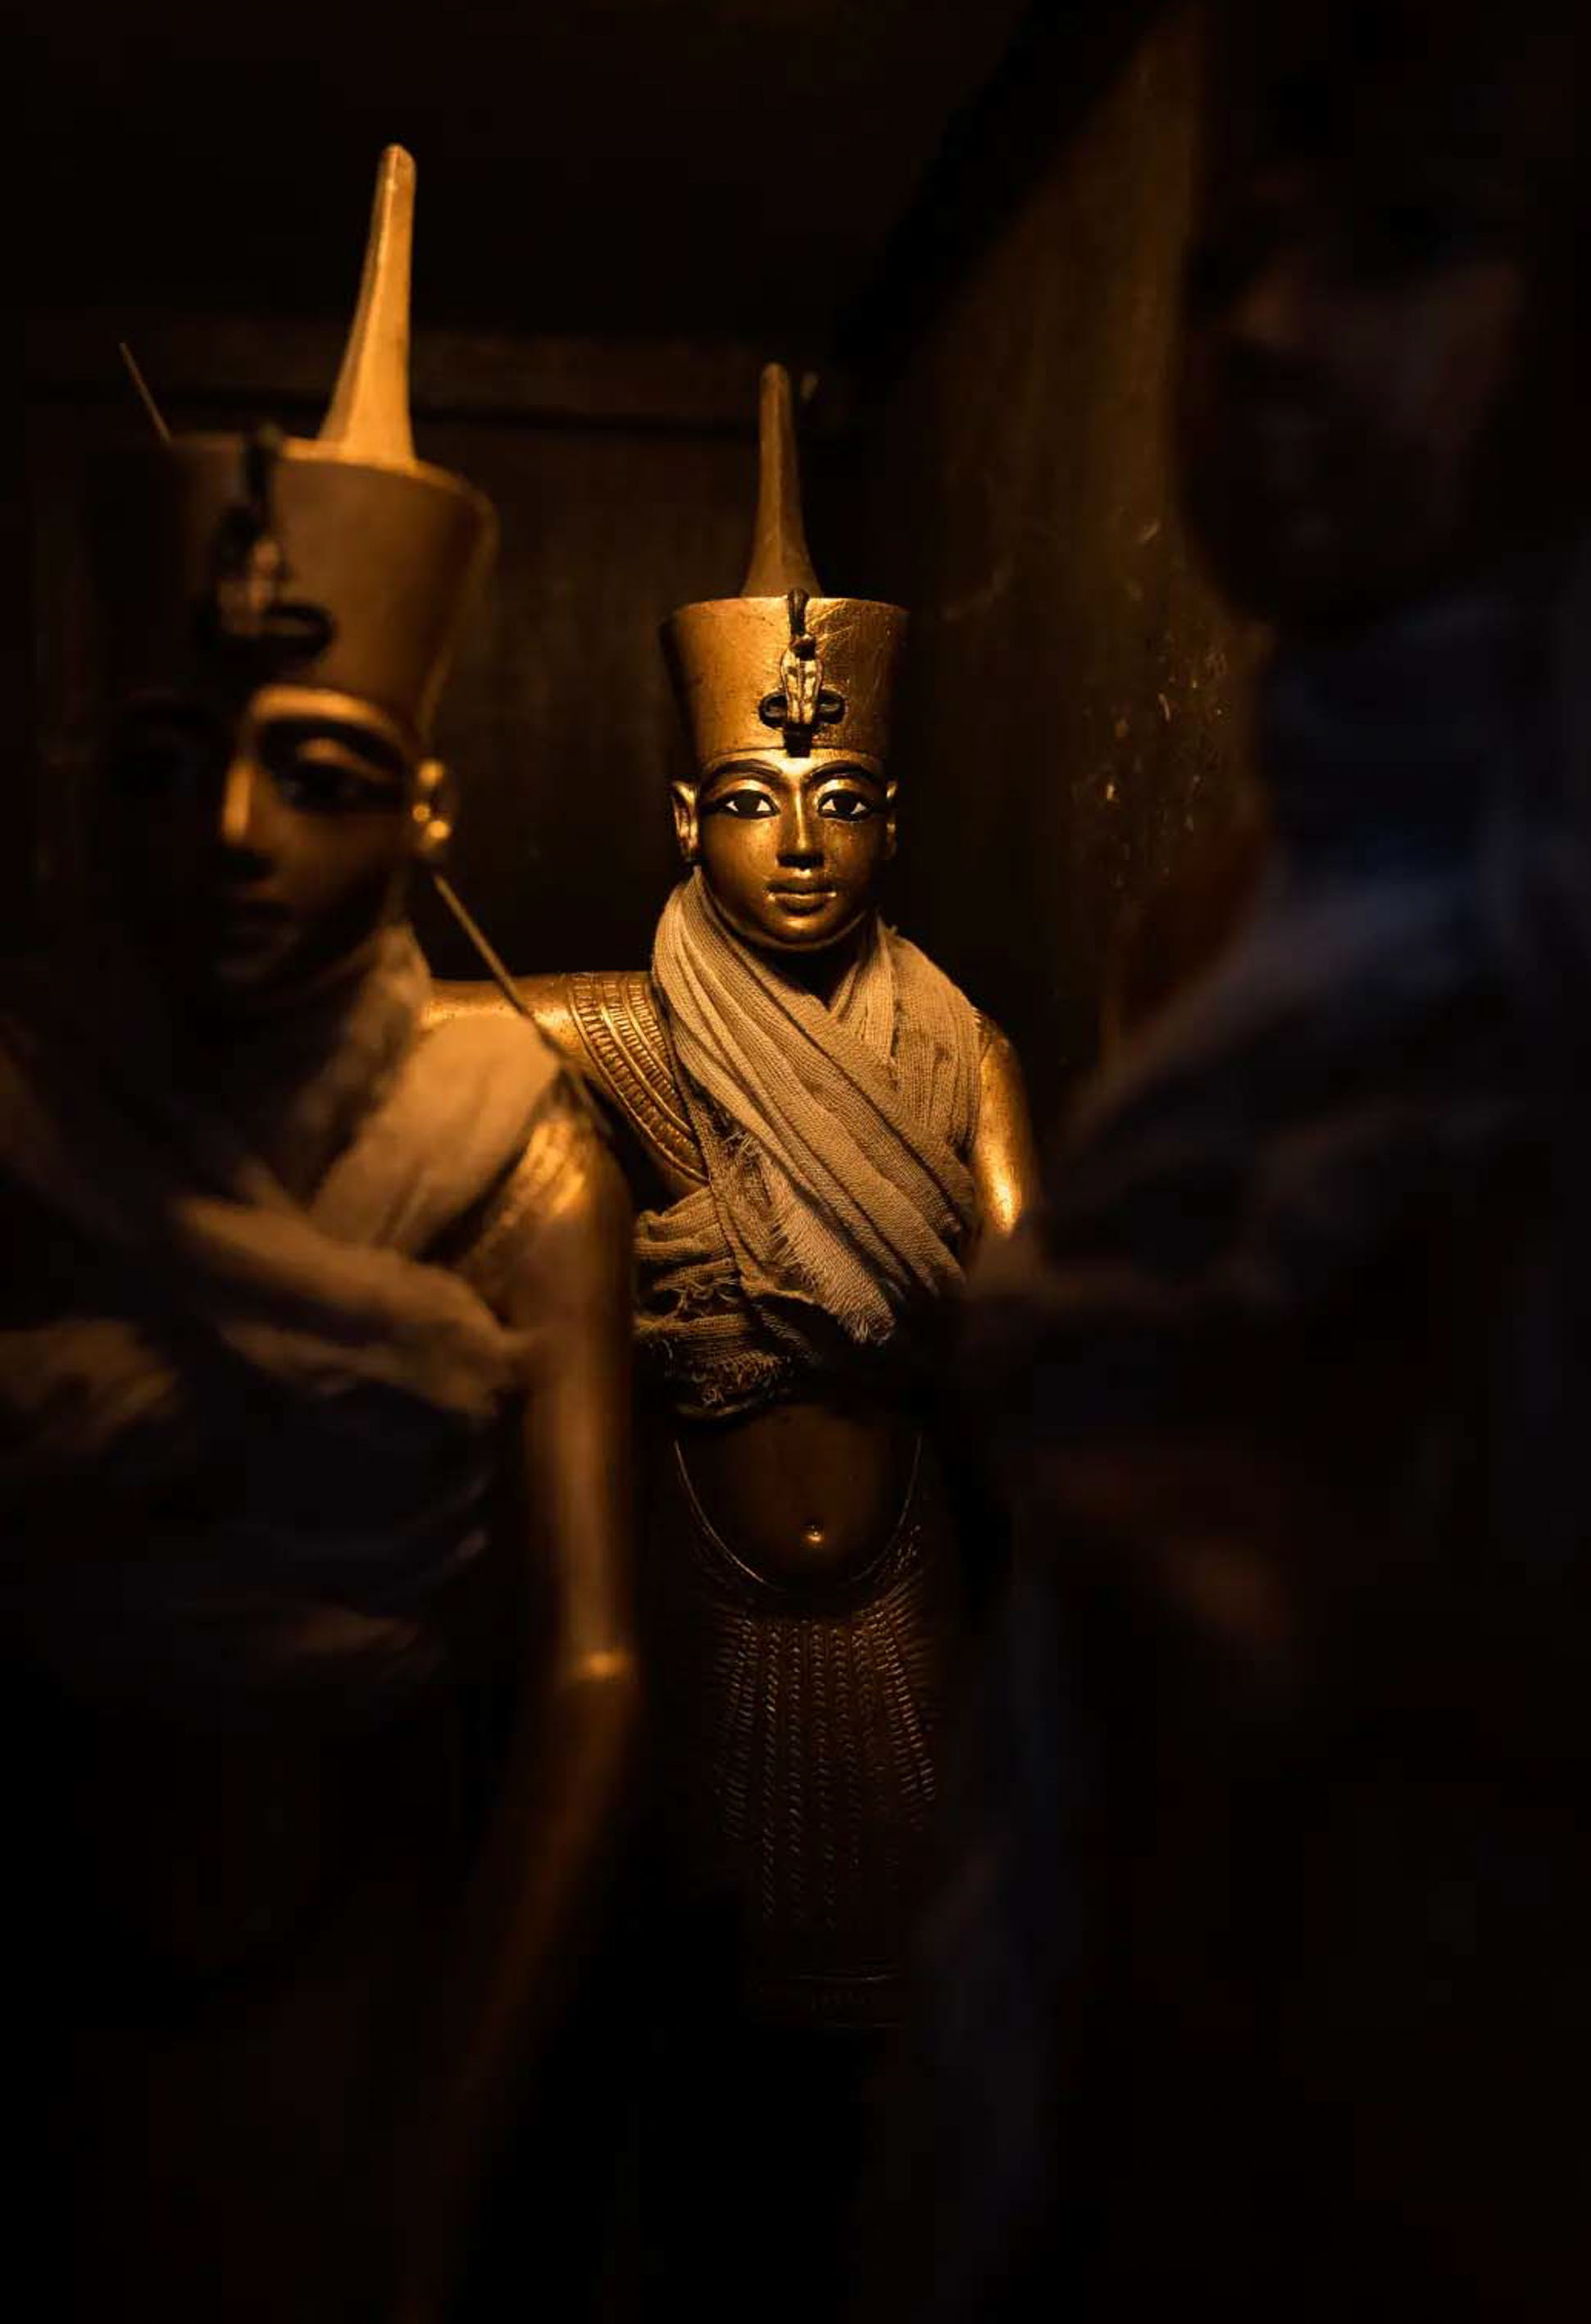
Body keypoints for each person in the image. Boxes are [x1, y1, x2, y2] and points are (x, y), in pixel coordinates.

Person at [867, 0, 1591, 2317]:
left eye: (1406, 244)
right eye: (1223, 266)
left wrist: (1385, 1654)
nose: (1275, 339)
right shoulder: (1227, 924)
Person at [3, 145, 638, 2323]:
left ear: (428, 806)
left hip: (368, 1967)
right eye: (169, 759)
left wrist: (436, 2163)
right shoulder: (25, 1123)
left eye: (325, 770)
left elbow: (590, 1676)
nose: (234, 832)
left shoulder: (520, 1159)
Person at [432, 363, 1037, 2318]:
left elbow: (1035, 1323)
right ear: (687, 813)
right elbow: (409, 1036)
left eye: (838, 802)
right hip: (691, 1586)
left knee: (895, 2062)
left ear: (892, 819)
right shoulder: (623, 1034)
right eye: (757, 803)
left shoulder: (955, 1048)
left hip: (902, 1581)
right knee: (678, 2047)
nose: (798, 845)